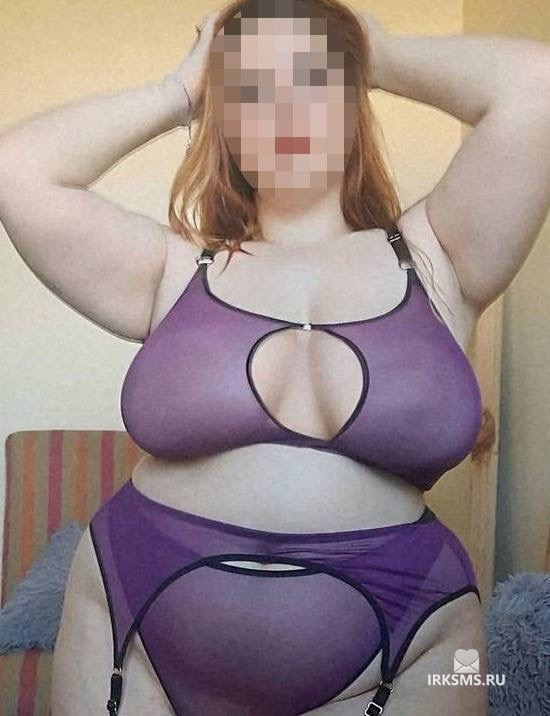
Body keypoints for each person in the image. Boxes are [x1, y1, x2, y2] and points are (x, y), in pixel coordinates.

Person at [1, 0, 549, 713]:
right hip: (133, 629)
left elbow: (536, 85)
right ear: (225, 122)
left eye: (313, 77)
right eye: (251, 88)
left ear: (354, 101)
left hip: (410, 643)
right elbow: (17, 169)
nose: (285, 105)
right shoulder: (173, 272)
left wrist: (379, 52)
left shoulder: (440, 257)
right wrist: (181, 90)